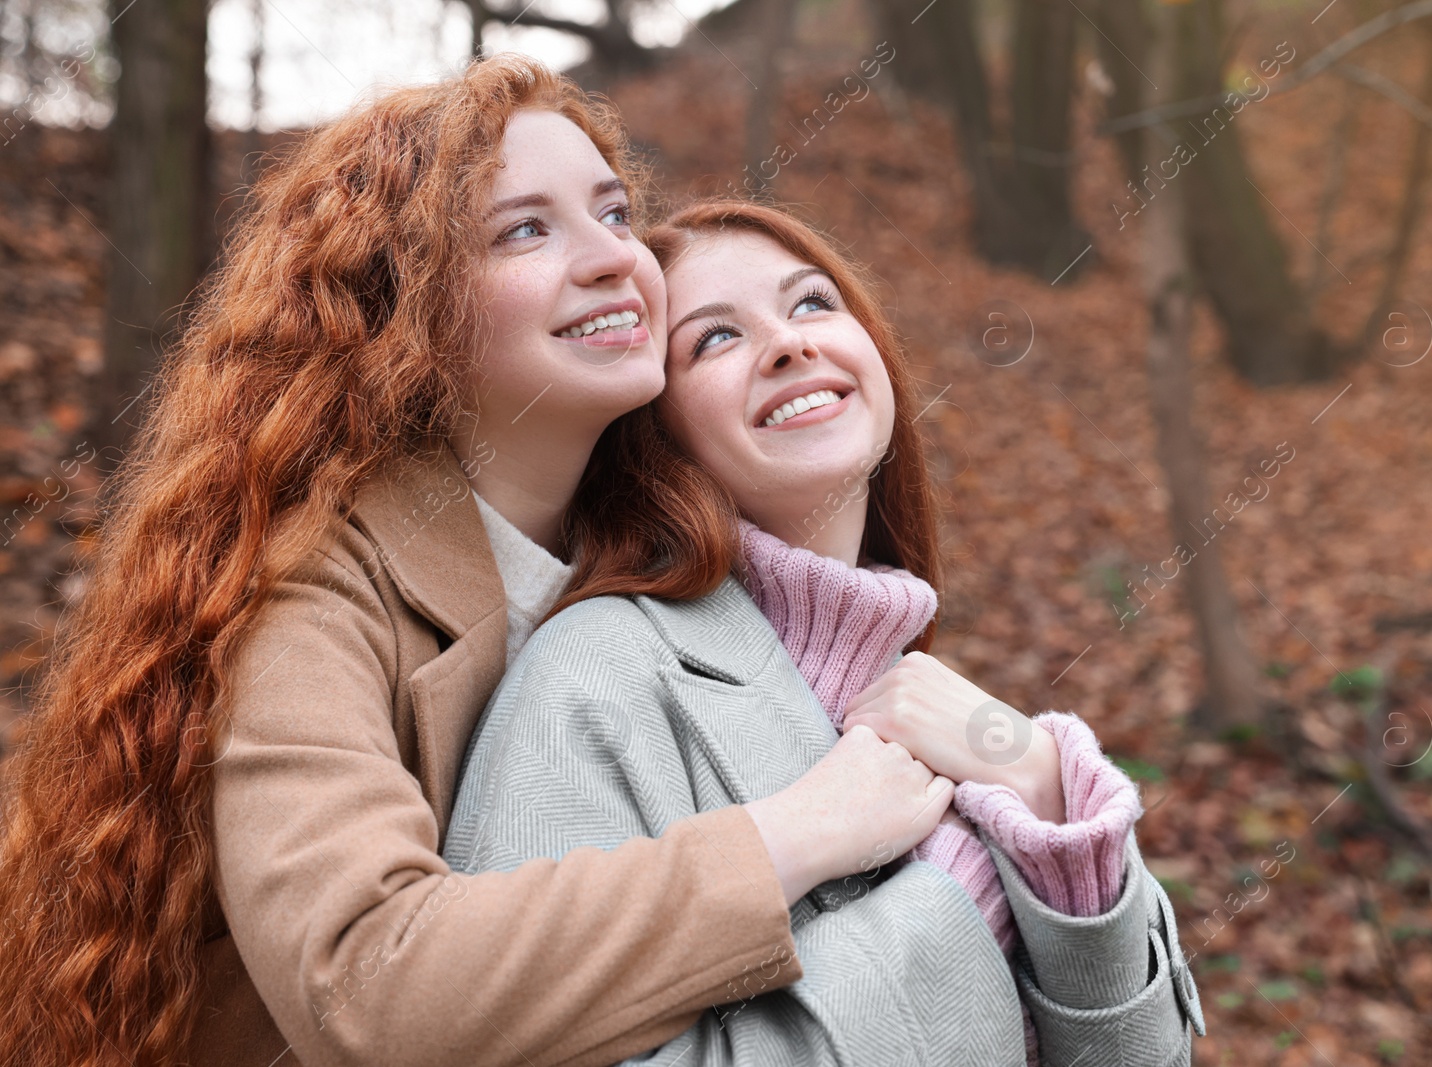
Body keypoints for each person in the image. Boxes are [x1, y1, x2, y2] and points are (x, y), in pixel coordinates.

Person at [0, 59, 927, 1067]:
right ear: (399, 307)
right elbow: (366, 985)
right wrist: (792, 837)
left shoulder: (653, 552)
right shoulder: (310, 591)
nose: (613, 257)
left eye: (614, 213)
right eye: (525, 228)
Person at [444, 199, 1206, 1065]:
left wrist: (1040, 787)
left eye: (811, 303)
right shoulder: (591, 675)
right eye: (714, 339)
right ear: (659, 436)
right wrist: (961, 904)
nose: (790, 343)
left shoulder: (927, 697)